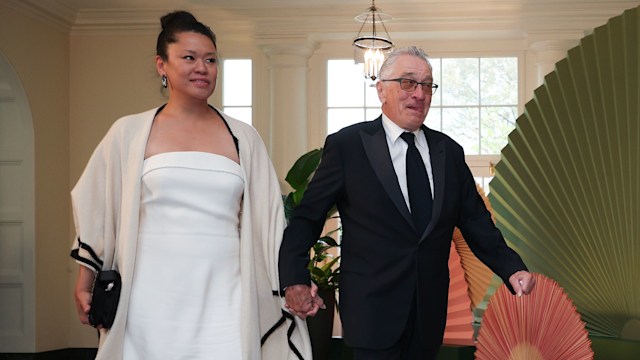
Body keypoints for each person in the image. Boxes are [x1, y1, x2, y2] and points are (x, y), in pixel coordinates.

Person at [70, 10, 311, 360]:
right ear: (161, 65)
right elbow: (97, 206)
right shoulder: (128, 132)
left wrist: (293, 282)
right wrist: (84, 281)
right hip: (148, 296)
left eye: (211, 60)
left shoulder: (244, 137)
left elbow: (270, 221)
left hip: (227, 292)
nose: (202, 67)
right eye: (189, 57)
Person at [278, 46, 536, 360]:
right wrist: (294, 279)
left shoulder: (449, 152)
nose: (419, 93)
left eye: (427, 85)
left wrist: (512, 269)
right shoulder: (348, 146)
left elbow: (476, 222)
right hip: (371, 311)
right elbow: (307, 217)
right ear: (381, 90)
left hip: (427, 315)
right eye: (408, 83)